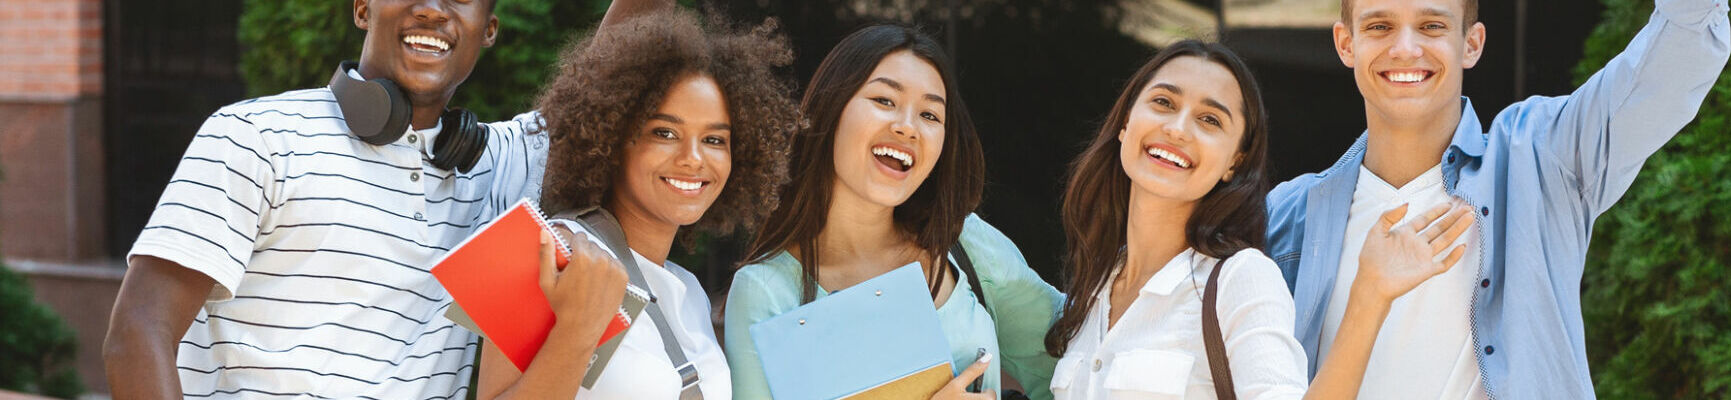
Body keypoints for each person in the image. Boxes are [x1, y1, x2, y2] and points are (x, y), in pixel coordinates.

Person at [97, 0, 669, 397]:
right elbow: (137, 332)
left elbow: (613, 65)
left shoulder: (497, 166)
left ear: (487, 29)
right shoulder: (256, 135)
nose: (432, 9)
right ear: (363, 10)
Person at [1263, 0, 1731, 398]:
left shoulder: (1542, 158)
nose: (1405, 48)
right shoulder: (1288, 216)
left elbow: (1682, 46)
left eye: (1432, 26)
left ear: (1472, 43)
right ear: (1347, 43)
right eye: (1379, 26)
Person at [1044, 39, 1476, 400]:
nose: (1177, 128)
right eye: (1162, 102)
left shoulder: (1239, 279)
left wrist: (1370, 295)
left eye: (1209, 119)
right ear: (1125, 123)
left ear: (1236, 161)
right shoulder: (1091, 293)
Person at [470, 9, 802, 399]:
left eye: (715, 140)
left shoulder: (688, 291)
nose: (694, 157)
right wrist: (578, 328)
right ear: (611, 138)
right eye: (665, 132)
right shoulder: (548, 253)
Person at [724, 24, 1065, 400]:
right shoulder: (766, 291)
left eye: (930, 115)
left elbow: (1081, 360)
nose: (907, 127)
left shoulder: (964, 243)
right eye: (885, 100)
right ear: (830, 109)